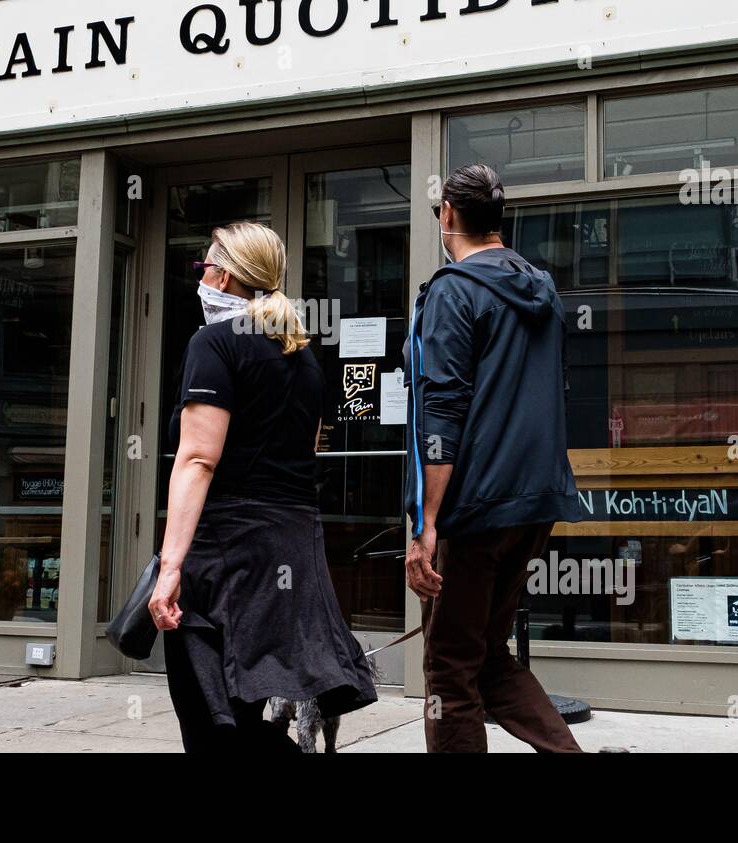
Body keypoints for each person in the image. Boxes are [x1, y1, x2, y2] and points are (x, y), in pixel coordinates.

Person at [149, 222, 376, 753]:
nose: (201, 278)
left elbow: (198, 459)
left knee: (207, 715)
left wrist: (170, 566)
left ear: (224, 276)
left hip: (225, 551)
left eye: (204, 267)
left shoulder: (213, 345)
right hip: (289, 547)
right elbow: (308, 452)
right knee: (243, 704)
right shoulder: (302, 357)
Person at [404, 164, 586, 754]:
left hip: (474, 508)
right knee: (486, 657)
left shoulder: (453, 291)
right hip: (532, 503)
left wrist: (427, 523)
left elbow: (444, 410)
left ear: (449, 215)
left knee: (450, 672)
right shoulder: (542, 288)